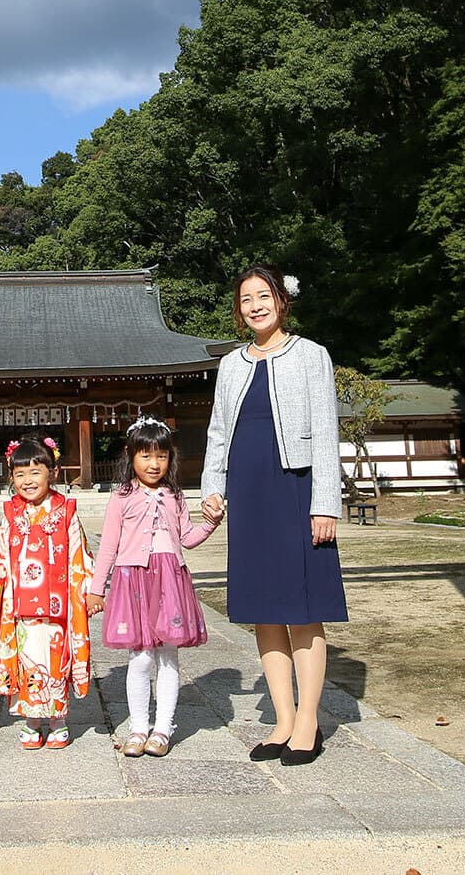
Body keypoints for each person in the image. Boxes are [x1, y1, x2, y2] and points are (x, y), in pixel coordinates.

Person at [200, 265, 346, 767]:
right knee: (265, 608)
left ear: (282, 300)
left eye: (263, 296)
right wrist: (212, 486)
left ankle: (308, 721)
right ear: (238, 310)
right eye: (246, 299)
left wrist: (324, 503)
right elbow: (218, 430)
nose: (255, 306)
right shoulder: (231, 364)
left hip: (295, 488)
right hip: (249, 490)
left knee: (302, 607)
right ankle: (283, 719)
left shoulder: (311, 354)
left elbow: (325, 430)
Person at [90, 415, 219, 758]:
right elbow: (109, 546)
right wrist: (96, 588)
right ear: (130, 455)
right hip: (132, 580)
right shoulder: (121, 497)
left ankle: (162, 728)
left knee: (168, 656)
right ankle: (138, 727)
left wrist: (210, 524)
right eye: (145, 455)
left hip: (170, 580)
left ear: (170, 458)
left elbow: (187, 538)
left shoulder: (175, 495)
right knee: (140, 657)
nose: (154, 464)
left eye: (161, 456)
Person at [0, 433, 94, 749]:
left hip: (58, 605)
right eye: (20, 474)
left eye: (35, 472)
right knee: (27, 660)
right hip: (20, 606)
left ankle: (58, 720)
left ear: (52, 472)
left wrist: (89, 590)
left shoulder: (65, 511)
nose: (27, 480)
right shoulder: (11, 514)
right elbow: (0, 554)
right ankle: (31, 720)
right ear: (11, 477)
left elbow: (79, 554)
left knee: (56, 659)